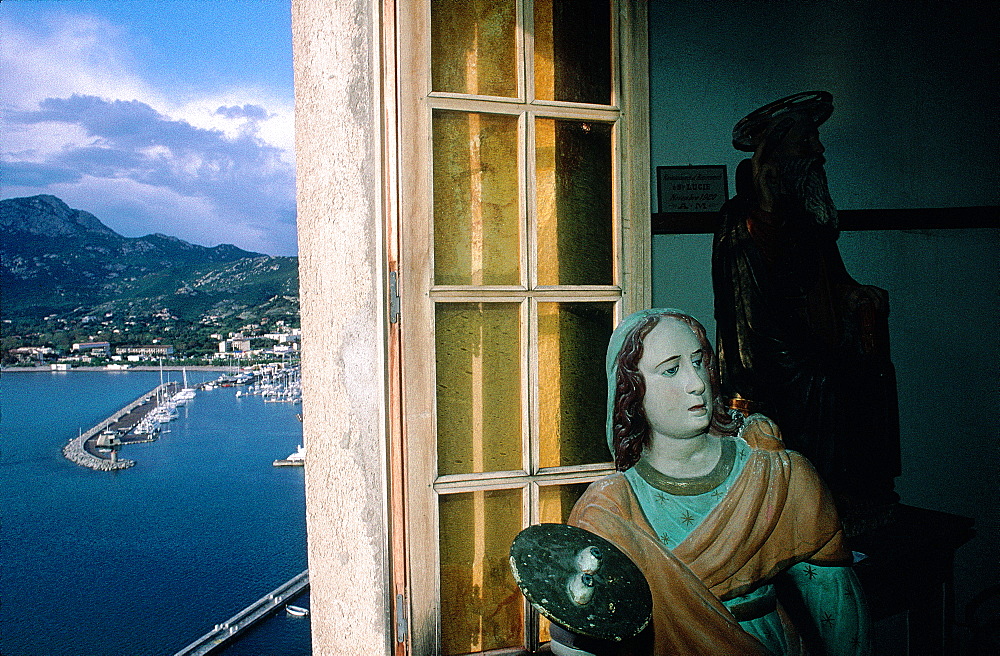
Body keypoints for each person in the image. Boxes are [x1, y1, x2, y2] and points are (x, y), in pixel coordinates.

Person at [563, 309, 870, 656]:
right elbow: (577, 638)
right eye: (671, 369)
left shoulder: (777, 477)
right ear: (632, 390)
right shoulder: (608, 511)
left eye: (698, 362)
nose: (696, 382)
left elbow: (841, 620)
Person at [712, 91, 900, 531]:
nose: (819, 150)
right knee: (825, 381)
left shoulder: (806, 215)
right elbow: (748, 299)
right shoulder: (742, 215)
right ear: (776, 150)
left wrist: (856, 293)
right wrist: (766, 204)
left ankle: (857, 488)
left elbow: (832, 277)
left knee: (872, 374)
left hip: (810, 337)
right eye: (807, 141)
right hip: (764, 347)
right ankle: (818, 492)